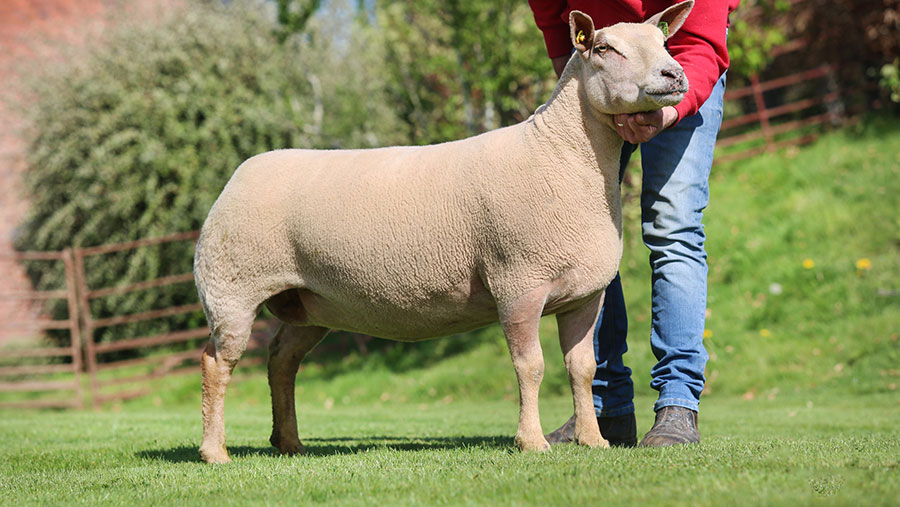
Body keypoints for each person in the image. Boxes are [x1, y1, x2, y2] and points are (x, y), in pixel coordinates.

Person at [528, 0, 740, 447]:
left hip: (681, 69)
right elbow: (551, 11)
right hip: (603, 74)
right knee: (588, 236)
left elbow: (701, 41)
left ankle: (678, 406)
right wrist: (578, 74)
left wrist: (668, 113)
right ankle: (605, 410)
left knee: (673, 226)